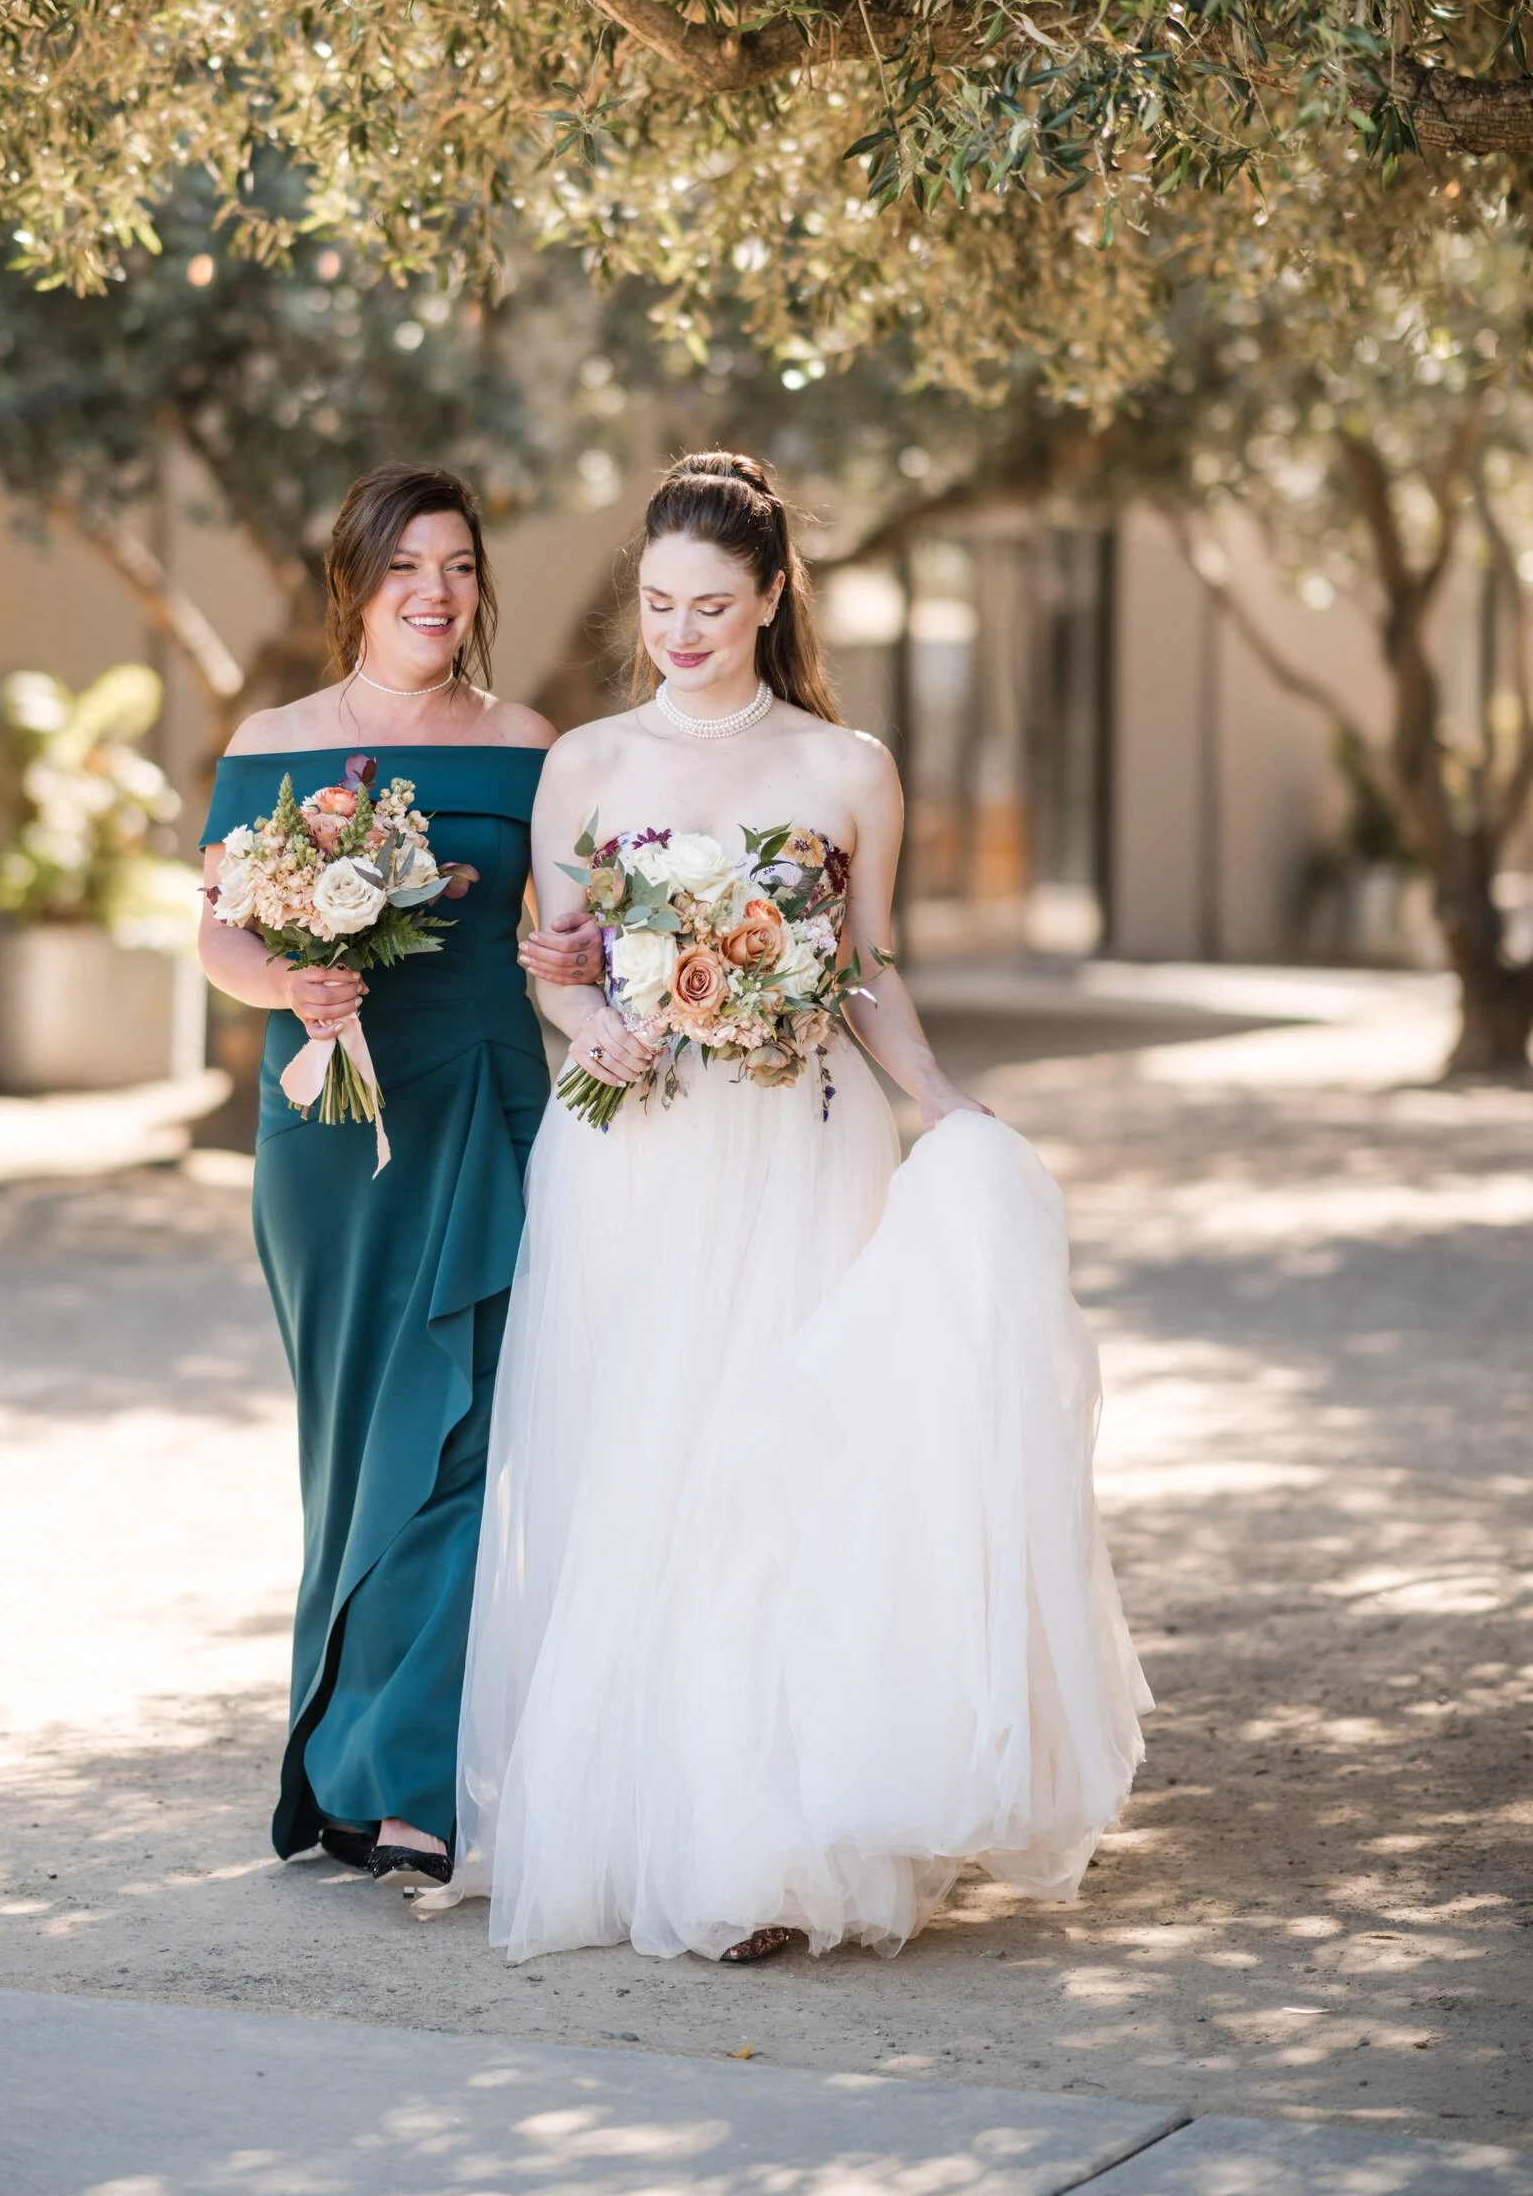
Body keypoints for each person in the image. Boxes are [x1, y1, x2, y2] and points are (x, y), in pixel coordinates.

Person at [436, 450, 1151, 1961]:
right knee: (642, 1465)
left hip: (800, 1144)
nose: (678, 632)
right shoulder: (588, 761)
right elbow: (548, 956)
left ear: (768, 599)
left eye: (708, 604)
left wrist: (940, 1102)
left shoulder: (847, 770)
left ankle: (762, 1850)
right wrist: (596, 1028)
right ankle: (646, 1830)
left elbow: (870, 967)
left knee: (780, 1463)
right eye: (655, 604)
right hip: (631, 1148)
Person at [196, 462, 599, 1886]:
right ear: (355, 585)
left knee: (469, 1431)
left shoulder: (530, 745)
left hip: (484, 1107)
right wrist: (286, 984)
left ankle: (405, 1782)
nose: (435, 593)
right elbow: (217, 932)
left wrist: (579, 964)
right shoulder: (276, 740)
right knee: (353, 1444)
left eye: (459, 568)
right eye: (405, 568)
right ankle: (332, 1768)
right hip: (329, 1132)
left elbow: (564, 935)